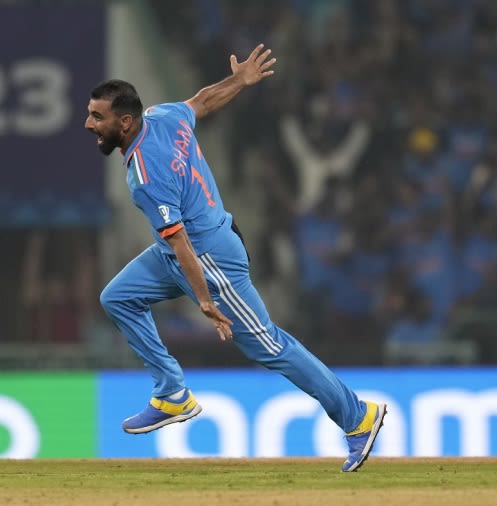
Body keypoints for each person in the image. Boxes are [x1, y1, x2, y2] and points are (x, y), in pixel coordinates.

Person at [84, 44, 386, 472]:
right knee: (118, 297)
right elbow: (203, 101)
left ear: (125, 121)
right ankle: (171, 392)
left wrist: (205, 301)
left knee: (270, 346)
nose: (89, 123)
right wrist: (239, 83)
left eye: (98, 117)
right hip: (187, 247)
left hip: (208, 259)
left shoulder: (145, 178)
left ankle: (358, 417)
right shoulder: (164, 116)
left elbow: (182, 244)